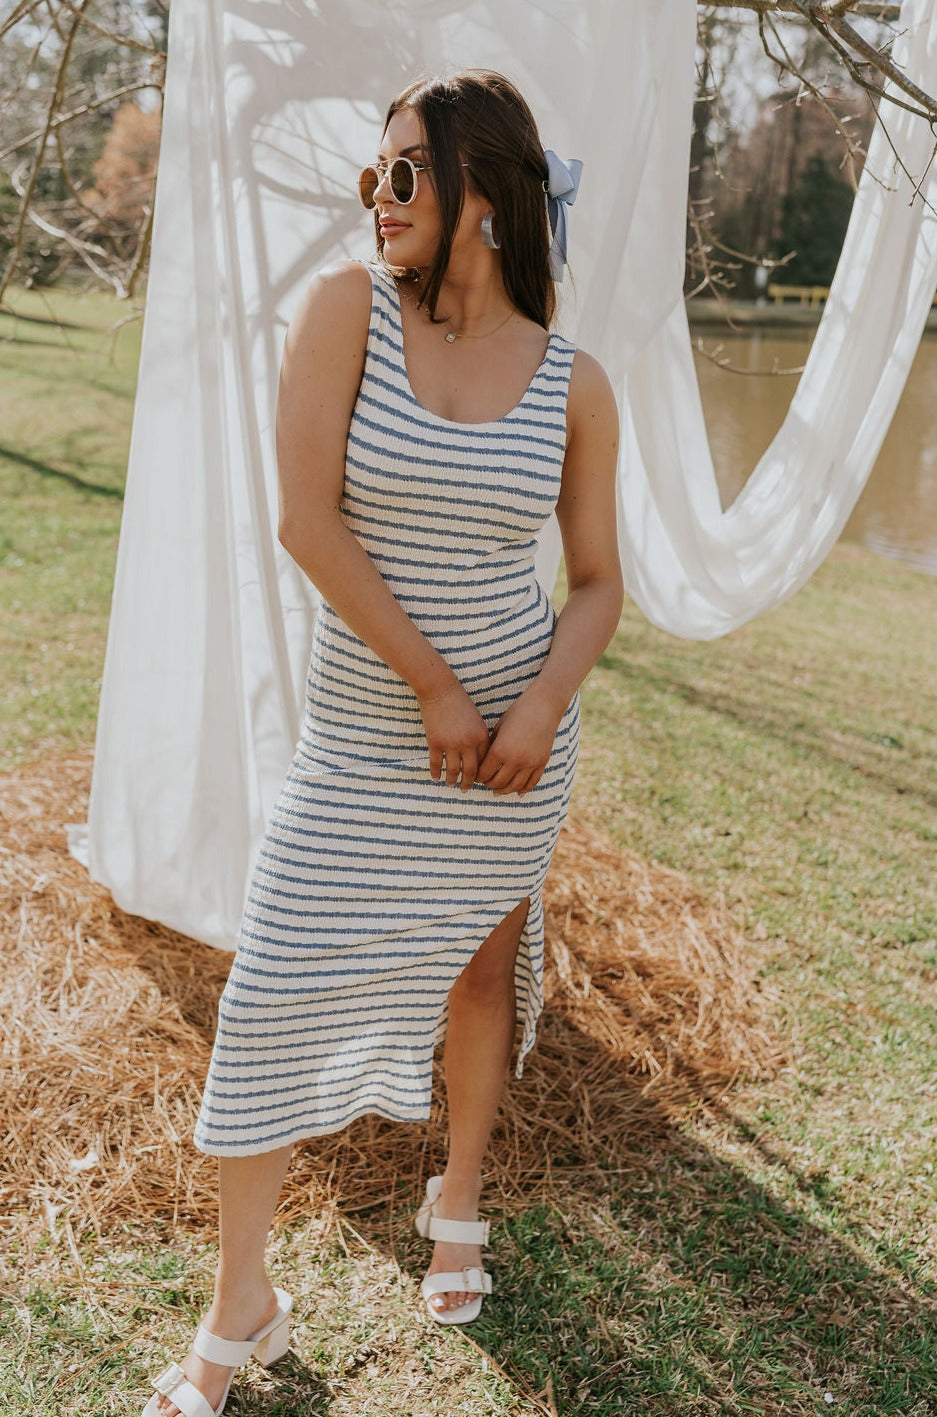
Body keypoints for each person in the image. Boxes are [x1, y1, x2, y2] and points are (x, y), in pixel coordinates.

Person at [144, 68, 622, 1417]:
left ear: (486, 198)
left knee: (479, 974)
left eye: (405, 170)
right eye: (374, 171)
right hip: (370, 736)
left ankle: (456, 1192)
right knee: (267, 1000)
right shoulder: (346, 312)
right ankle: (241, 1297)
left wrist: (531, 709)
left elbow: (595, 581)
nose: (379, 195)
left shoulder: (573, 382)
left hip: (510, 756)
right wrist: (432, 685)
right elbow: (307, 519)